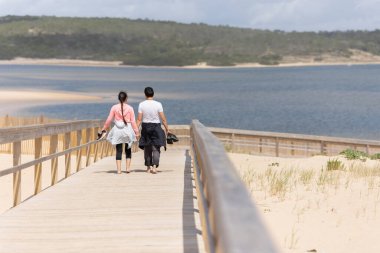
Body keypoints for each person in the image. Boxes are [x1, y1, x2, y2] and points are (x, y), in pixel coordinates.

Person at [101, 91, 139, 174]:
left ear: (118, 98)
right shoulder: (130, 108)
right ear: (126, 98)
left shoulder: (114, 107)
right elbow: (133, 121)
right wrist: (136, 132)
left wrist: (104, 128)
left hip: (117, 130)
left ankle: (118, 170)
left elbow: (109, 119)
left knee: (119, 150)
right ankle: (128, 168)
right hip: (128, 130)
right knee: (128, 149)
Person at [136, 87, 169, 174]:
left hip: (146, 126)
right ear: (153, 94)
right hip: (156, 126)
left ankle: (148, 167)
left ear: (145, 94)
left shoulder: (141, 104)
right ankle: (154, 167)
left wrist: (136, 130)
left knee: (147, 147)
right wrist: (167, 128)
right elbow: (163, 119)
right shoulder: (158, 104)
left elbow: (139, 119)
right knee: (156, 147)